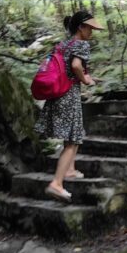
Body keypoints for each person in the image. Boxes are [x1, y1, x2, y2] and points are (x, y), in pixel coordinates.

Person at [35, 10, 103, 203]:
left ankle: (70, 170)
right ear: (81, 27)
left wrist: (87, 77)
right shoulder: (81, 44)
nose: (92, 32)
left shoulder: (63, 44)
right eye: (90, 28)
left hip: (57, 94)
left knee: (70, 135)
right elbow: (75, 66)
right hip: (69, 97)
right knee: (73, 140)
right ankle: (57, 183)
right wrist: (86, 81)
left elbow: (67, 69)